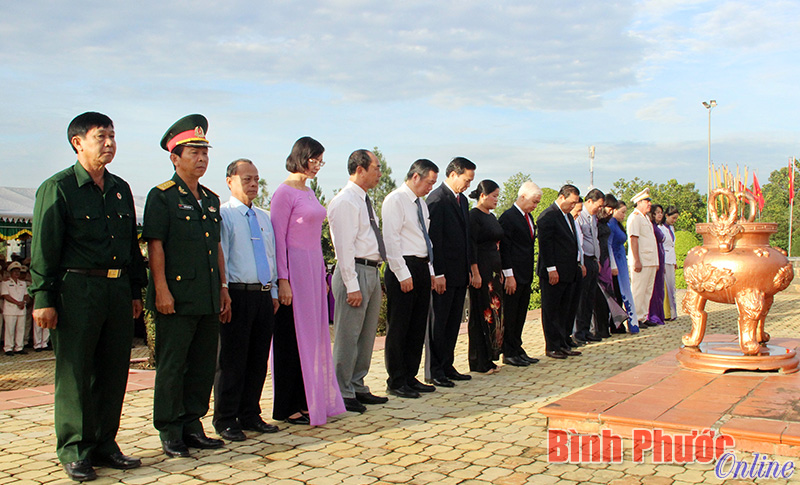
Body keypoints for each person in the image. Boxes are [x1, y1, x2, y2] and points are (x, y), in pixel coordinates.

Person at [30, 112, 147, 481]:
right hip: (76, 289)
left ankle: (104, 444)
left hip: (115, 288)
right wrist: (43, 297)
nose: (109, 143)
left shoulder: (119, 188)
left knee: (113, 370)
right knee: (76, 370)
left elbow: (131, 245)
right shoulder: (59, 187)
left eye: (113, 135)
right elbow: (45, 247)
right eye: (101, 136)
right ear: (78, 142)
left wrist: (133, 290)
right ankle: (75, 447)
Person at [144, 114, 232, 458]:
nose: (201, 158)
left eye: (204, 153)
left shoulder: (210, 199)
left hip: (208, 295)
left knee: (201, 364)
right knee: (173, 365)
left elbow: (217, 247)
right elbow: (156, 245)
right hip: (176, 298)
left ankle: (193, 424)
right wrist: (161, 290)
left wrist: (223, 287)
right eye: (193, 152)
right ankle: (170, 428)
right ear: (174, 157)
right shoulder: (161, 196)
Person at [270, 136, 346, 426]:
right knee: (291, 337)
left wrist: (323, 275)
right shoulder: (283, 193)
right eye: (314, 159)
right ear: (300, 156)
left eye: (320, 161)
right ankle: (286, 405)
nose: (317, 165)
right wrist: (283, 279)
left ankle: (307, 400)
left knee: (313, 338)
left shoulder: (309, 191)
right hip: (293, 270)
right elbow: (278, 239)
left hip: (313, 269)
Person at [213, 159, 280, 442]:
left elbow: (271, 256)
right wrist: (224, 290)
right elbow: (222, 257)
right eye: (246, 179)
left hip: (263, 295)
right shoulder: (224, 215)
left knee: (257, 359)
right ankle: (226, 418)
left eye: (256, 179)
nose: (253, 184)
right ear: (230, 181)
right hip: (237, 294)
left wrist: (274, 291)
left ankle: (250, 413)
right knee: (231, 360)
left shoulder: (264, 218)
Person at [327, 149, 389, 413]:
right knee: (348, 335)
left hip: (371, 269)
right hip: (354, 270)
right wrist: (352, 285)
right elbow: (343, 248)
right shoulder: (345, 201)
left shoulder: (365, 200)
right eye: (376, 167)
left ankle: (357, 384)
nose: (380, 173)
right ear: (360, 169)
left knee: (365, 336)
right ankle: (341, 391)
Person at [382, 159, 439, 398]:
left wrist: (431, 271)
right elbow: (391, 239)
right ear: (416, 177)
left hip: (422, 266)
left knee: (417, 325)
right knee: (400, 326)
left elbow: (425, 240)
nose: (430, 187)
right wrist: (402, 272)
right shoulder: (395, 200)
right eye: (429, 182)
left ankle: (410, 375)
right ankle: (396, 380)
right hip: (403, 267)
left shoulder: (422, 204)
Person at [426, 157, 476, 387]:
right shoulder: (437, 199)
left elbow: (466, 239)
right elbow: (434, 239)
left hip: (459, 273)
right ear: (453, 174)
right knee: (440, 322)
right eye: (466, 180)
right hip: (444, 273)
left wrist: (469, 269)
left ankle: (447, 364)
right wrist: (438, 272)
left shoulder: (462, 200)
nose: (468, 185)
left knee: (454, 322)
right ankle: (435, 369)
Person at [537, 185, 584, 359]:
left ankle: (563, 342)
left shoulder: (567, 217)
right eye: (571, 202)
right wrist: (551, 268)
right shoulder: (548, 216)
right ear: (562, 197)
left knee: (565, 309)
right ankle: (552, 346)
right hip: (554, 272)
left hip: (569, 271)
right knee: (552, 310)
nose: (573, 206)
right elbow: (546, 246)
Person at [499, 181, 542, 366]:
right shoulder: (508, 217)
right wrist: (509, 275)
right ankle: (508, 351)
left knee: (520, 314)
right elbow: (505, 249)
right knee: (511, 314)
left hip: (525, 273)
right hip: (513, 274)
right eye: (534, 202)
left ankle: (517, 346)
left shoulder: (528, 217)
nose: (535, 206)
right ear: (522, 197)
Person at [466, 180, 504, 374]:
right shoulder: (474, 216)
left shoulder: (492, 217)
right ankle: (478, 360)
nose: (497, 200)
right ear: (483, 195)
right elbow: (471, 246)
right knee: (482, 315)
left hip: (495, 271)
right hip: (481, 270)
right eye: (494, 196)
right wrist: (475, 272)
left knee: (495, 314)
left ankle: (490, 356)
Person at [574, 189, 605, 344]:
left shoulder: (593, 218)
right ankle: (579, 332)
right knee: (582, 297)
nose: (600, 209)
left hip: (593, 260)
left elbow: (595, 240)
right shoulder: (579, 216)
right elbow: (579, 241)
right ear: (590, 201)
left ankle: (586, 330)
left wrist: (597, 259)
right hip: (584, 259)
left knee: (590, 298)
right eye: (598, 205)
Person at [627, 188, 658, 328]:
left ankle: (643, 316)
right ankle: (635, 318)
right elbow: (633, 239)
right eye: (646, 201)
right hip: (641, 260)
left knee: (647, 290)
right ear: (639, 202)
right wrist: (637, 260)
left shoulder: (645, 218)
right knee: (638, 290)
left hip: (650, 260)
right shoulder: (634, 217)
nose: (649, 204)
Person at [608, 200, 638, 333]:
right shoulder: (610, 224)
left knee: (624, 292)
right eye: (622, 212)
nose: (623, 215)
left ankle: (626, 322)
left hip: (621, 260)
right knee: (617, 293)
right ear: (614, 210)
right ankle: (616, 323)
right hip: (614, 261)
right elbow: (609, 245)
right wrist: (613, 264)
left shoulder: (618, 225)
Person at [2, 262, 30, 355]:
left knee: (20, 328)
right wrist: (17, 302)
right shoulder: (5, 283)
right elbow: (5, 295)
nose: (17, 273)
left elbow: (26, 295)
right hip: (10, 309)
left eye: (18, 271)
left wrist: (23, 302)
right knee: (10, 329)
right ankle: (8, 347)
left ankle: (19, 347)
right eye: (15, 271)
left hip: (21, 308)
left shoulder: (23, 283)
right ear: (10, 272)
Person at [647, 204, 667, 326]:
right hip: (655, 259)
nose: (660, 215)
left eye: (661, 212)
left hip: (660, 257)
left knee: (660, 288)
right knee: (654, 288)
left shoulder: (659, 226)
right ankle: (653, 314)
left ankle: (659, 314)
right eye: (657, 212)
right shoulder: (651, 226)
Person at [661, 206, 679, 320]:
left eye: (676, 218)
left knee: (672, 286)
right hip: (664, 259)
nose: (674, 221)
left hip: (671, 259)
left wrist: (675, 261)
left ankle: (673, 312)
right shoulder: (660, 227)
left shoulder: (671, 228)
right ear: (666, 215)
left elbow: (673, 245)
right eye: (673, 218)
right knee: (665, 287)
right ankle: (666, 313)